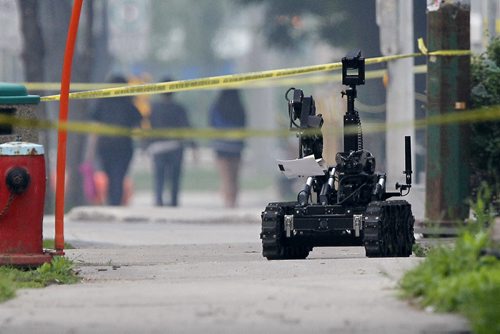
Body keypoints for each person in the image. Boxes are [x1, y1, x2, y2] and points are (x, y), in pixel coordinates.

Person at [92, 74, 142, 205]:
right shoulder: (129, 104)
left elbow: (96, 126)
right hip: (124, 145)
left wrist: (92, 149)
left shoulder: (102, 102)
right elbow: (138, 122)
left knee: (108, 175)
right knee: (119, 175)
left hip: (105, 145)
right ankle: (116, 201)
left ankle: (110, 201)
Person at [148, 77, 197, 206]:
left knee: (159, 177)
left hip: (158, 147)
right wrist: (193, 146)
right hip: (176, 147)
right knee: (174, 178)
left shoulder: (153, 108)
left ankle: (158, 201)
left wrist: (145, 146)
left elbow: (148, 128)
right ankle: (173, 202)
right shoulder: (179, 108)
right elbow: (187, 127)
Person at [209, 89, 247, 208]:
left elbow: (212, 123)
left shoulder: (217, 108)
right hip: (236, 146)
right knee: (235, 176)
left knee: (225, 176)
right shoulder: (240, 108)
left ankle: (227, 202)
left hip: (221, 146)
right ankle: (234, 201)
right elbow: (244, 125)